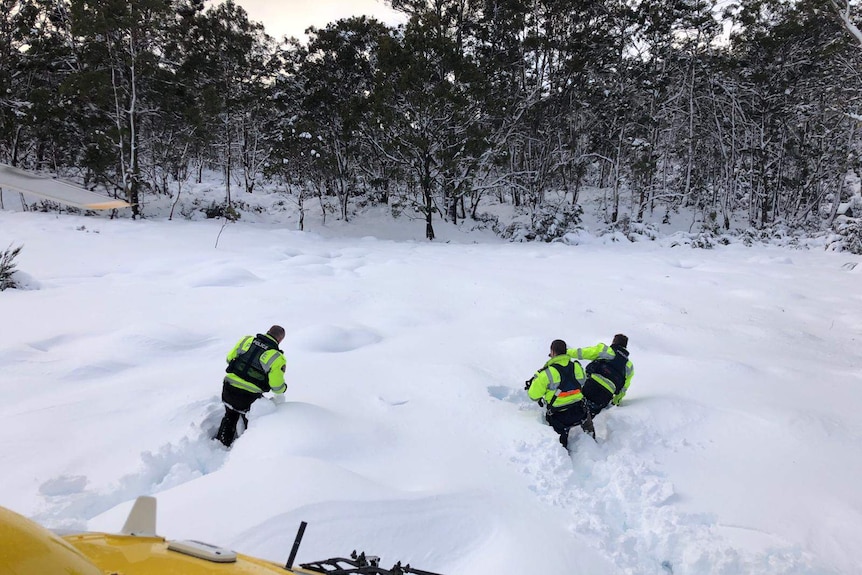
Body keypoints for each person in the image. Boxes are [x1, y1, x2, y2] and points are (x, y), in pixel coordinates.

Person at [215, 325, 287, 447]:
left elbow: (229, 359)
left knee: (230, 415)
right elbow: (276, 386)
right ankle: (246, 449)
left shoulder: (246, 340)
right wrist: (283, 388)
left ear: (268, 331)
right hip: (249, 398)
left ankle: (221, 444)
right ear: (280, 340)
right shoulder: (277, 357)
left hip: (229, 389)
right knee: (252, 423)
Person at [525, 339, 594, 448]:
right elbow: (583, 381)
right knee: (588, 421)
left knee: (559, 441)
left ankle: (562, 449)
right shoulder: (576, 367)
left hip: (558, 417)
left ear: (552, 352)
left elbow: (533, 396)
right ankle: (592, 441)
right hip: (579, 411)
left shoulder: (546, 373)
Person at [567, 334, 634, 417]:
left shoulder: (606, 350)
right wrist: (615, 402)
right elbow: (623, 388)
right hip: (606, 396)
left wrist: (566, 352)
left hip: (591, 385)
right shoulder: (629, 366)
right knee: (592, 412)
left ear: (614, 342)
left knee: (577, 407)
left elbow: (583, 353)